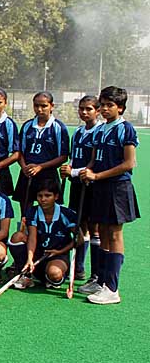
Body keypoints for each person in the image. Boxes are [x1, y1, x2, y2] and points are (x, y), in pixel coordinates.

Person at [78, 86, 140, 304]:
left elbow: (129, 163)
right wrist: (87, 171)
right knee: (103, 233)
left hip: (117, 188)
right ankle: (101, 281)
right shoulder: (100, 129)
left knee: (114, 235)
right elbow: (94, 160)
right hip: (100, 187)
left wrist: (97, 175)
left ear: (120, 108)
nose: (104, 109)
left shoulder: (126, 129)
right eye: (102, 105)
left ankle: (112, 289)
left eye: (109, 105)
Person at [8, 178, 78, 291]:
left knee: (54, 274)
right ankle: (26, 274)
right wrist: (29, 259)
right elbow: (32, 238)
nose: (43, 199)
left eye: (47, 195)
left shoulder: (67, 214)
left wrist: (59, 251)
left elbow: (79, 239)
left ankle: (50, 277)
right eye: (40, 196)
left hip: (57, 255)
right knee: (17, 236)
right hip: (38, 254)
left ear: (56, 196)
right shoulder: (33, 212)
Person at [60, 95, 101, 284]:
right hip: (77, 185)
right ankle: (79, 268)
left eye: (89, 109)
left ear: (97, 111)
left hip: (91, 185)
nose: (84, 112)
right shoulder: (78, 131)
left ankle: (96, 274)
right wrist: (68, 168)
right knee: (79, 225)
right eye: (81, 108)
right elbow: (74, 157)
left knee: (94, 229)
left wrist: (74, 172)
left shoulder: (99, 132)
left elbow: (94, 162)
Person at [13, 91, 69, 210]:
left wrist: (40, 167)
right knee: (25, 212)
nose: (39, 109)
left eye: (44, 106)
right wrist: (24, 167)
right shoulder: (27, 126)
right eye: (36, 105)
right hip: (27, 173)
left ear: (52, 106)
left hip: (48, 175)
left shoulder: (59, 128)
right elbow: (19, 152)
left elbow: (63, 156)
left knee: (47, 210)